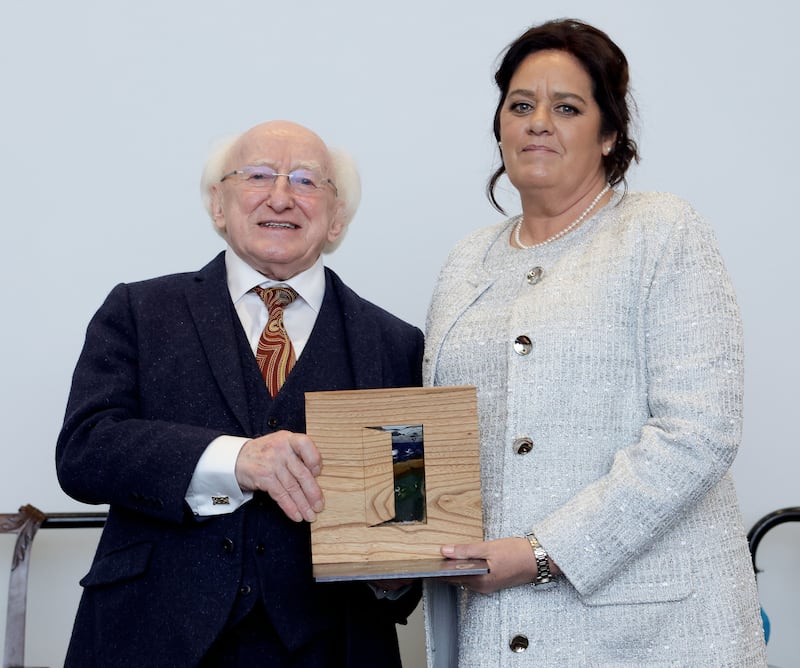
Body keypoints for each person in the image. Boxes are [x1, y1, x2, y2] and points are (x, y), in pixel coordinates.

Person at [422, 19, 768, 667]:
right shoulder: (466, 262)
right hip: (496, 628)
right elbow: (434, 437)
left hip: (652, 635)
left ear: (610, 133)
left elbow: (699, 433)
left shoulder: (660, 231)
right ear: (499, 126)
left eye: (567, 107)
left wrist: (544, 552)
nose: (537, 122)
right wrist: (392, 546)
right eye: (520, 105)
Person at [56, 120, 423, 667]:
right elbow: (85, 453)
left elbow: (407, 506)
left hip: (333, 644)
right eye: (257, 175)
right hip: (150, 635)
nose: (281, 196)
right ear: (218, 204)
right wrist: (236, 460)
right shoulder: (138, 310)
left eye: (305, 181)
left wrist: (397, 572)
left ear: (337, 215)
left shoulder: (397, 343)